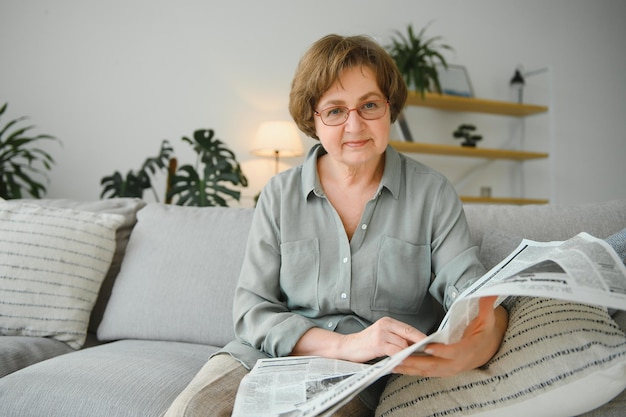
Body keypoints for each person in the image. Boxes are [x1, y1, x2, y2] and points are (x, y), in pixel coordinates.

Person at [164, 34, 509, 417]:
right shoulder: (279, 194)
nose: (355, 125)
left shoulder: (433, 194)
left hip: (365, 375)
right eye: (335, 110)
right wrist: (344, 345)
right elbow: (252, 310)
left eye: (370, 105)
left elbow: (473, 296)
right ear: (313, 118)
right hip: (264, 357)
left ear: (389, 108)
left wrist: (479, 338)